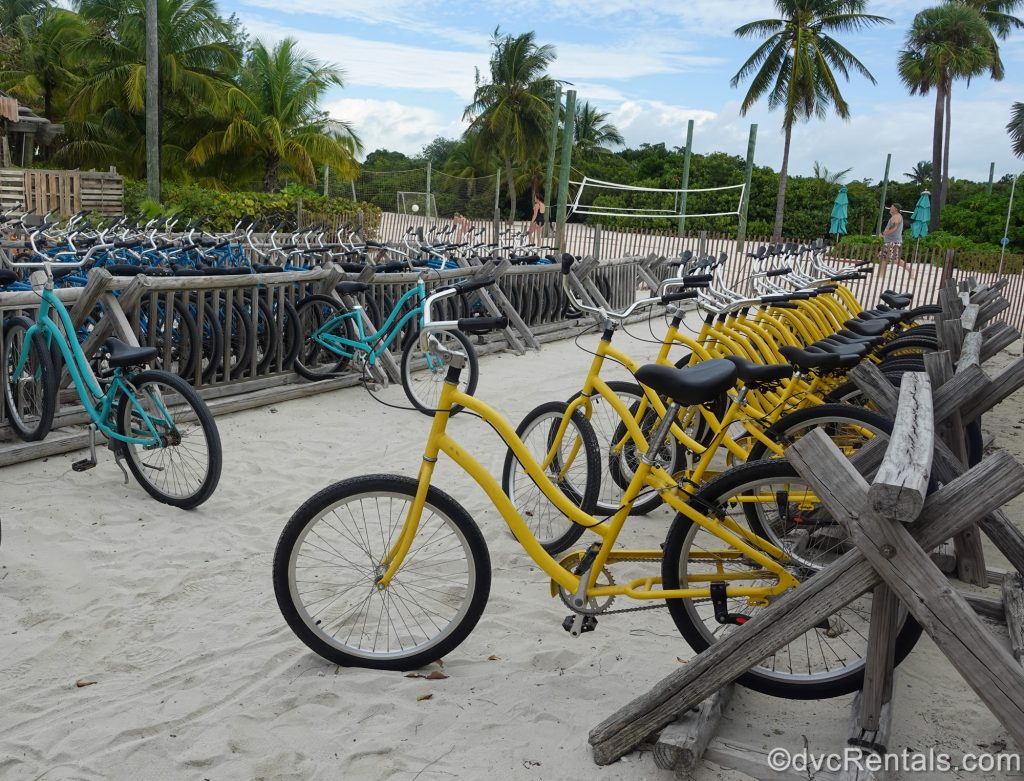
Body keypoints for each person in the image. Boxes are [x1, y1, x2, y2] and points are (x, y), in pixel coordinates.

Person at [879, 203, 913, 277]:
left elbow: (894, 228)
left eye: (891, 207)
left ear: (895, 209)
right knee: (883, 258)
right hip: (890, 241)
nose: (890, 208)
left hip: (893, 242)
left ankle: (910, 270)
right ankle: (881, 275)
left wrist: (883, 233)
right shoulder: (895, 216)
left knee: (895, 259)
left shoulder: (896, 217)